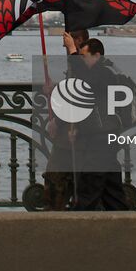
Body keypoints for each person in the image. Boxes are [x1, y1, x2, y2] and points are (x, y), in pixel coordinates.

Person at [70, 38, 134, 211]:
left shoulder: (104, 72)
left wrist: (72, 52)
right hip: (105, 133)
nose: (82, 60)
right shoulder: (107, 70)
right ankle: (125, 225)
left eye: (84, 56)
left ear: (96, 55)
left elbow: (85, 81)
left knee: (89, 186)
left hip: (102, 135)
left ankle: (77, 229)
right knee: (111, 189)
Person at [41, 29, 89, 210]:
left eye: (67, 42)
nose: (64, 46)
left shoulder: (84, 64)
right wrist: (53, 91)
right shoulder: (75, 65)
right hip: (70, 136)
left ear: (78, 40)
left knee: (57, 187)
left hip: (76, 137)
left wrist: (58, 123)